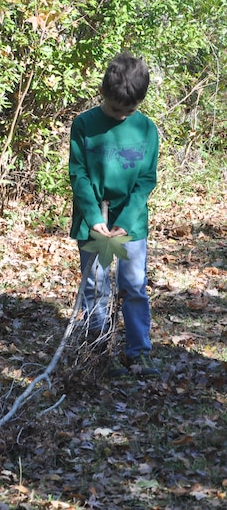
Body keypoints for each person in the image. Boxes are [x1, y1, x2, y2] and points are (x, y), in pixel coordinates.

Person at [68, 52, 160, 379]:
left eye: (129, 110)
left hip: (130, 223)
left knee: (132, 285)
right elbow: (78, 175)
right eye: (114, 108)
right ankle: (97, 349)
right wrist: (93, 217)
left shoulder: (147, 129)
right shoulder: (84, 125)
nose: (121, 115)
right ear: (103, 94)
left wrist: (128, 219)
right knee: (96, 285)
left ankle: (138, 352)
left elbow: (147, 179)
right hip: (94, 221)